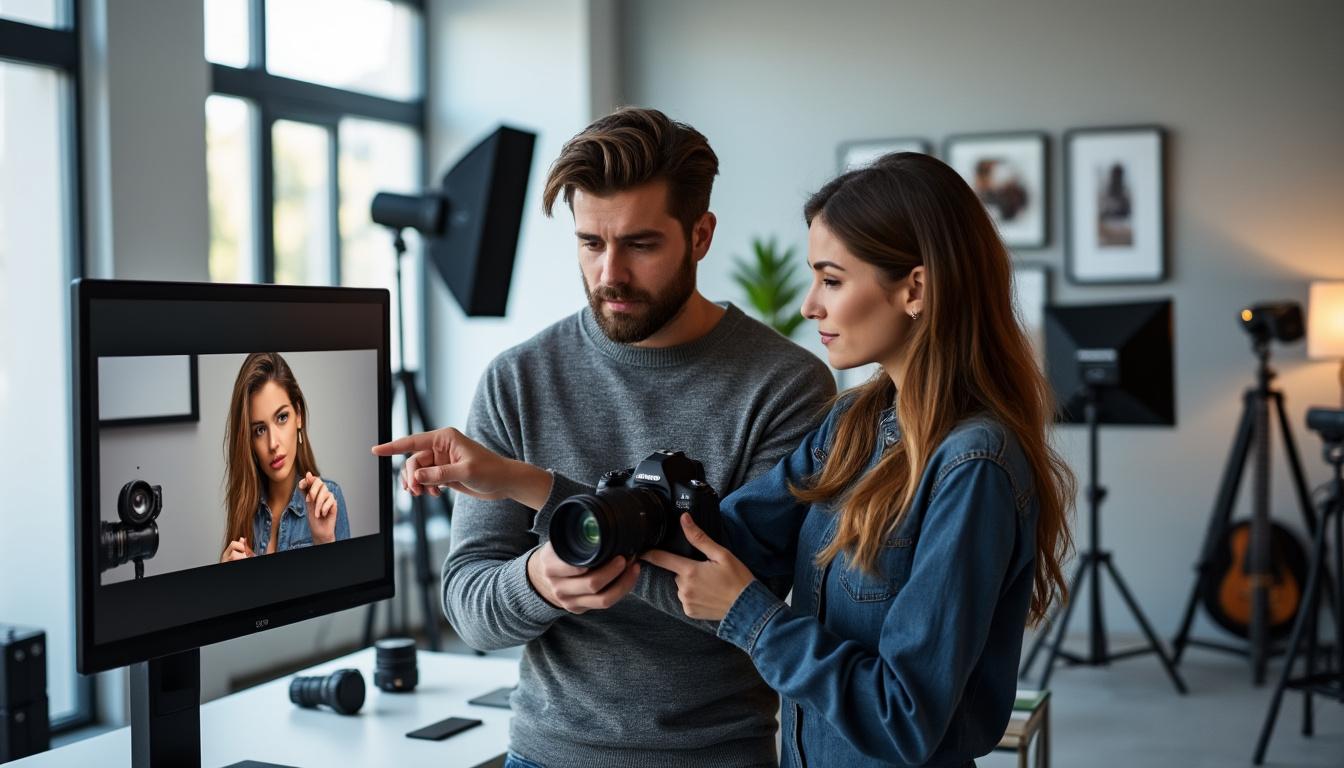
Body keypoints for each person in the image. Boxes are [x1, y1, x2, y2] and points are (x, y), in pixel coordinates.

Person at [398, 153, 1075, 767]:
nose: (810, 304)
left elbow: (904, 717)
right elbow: (707, 552)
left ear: (916, 290)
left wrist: (750, 614)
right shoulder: (855, 424)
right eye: (590, 242)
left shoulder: (971, 466)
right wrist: (522, 482)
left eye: (831, 279)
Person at [373, 107, 835, 768]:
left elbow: (745, 609)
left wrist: (540, 493)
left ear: (700, 236)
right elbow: (469, 611)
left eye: (640, 244)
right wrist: (538, 580)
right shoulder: (517, 379)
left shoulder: (784, 388)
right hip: (543, 755)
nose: (610, 273)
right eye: (591, 243)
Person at [221, 352, 349, 562]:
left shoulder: (329, 500)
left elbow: (347, 593)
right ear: (248, 441)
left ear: (298, 415)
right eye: (259, 430)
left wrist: (324, 543)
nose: (273, 443)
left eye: (282, 417)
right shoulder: (245, 508)